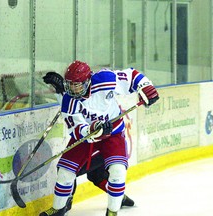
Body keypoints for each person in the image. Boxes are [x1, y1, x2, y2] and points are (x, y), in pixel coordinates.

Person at [40, 60, 159, 216]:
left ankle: (112, 211)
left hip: (113, 133)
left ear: (88, 80)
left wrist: (145, 86)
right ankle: (58, 208)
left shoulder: (105, 80)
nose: (73, 89)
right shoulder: (68, 99)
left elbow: (131, 75)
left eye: (77, 85)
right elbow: (75, 129)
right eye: (70, 84)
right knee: (65, 172)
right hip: (86, 137)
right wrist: (91, 129)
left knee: (117, 171)